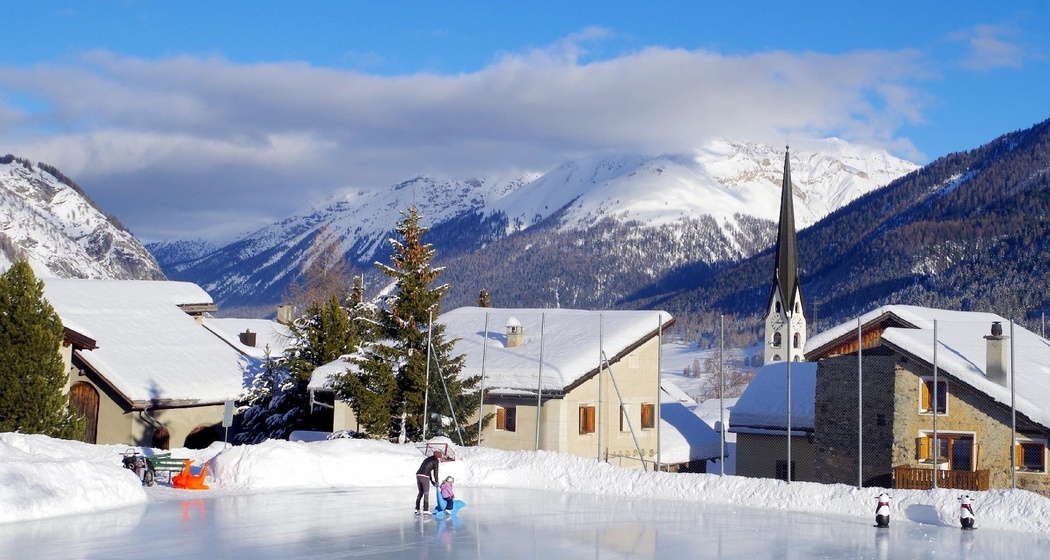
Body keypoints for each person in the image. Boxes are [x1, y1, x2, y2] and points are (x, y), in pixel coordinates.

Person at [415, 450, 441, 515]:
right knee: (426, 493)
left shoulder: (428, 459)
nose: (440, 459)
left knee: (421, 492)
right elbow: (435, 473)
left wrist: (432, 481)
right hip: (424, 476)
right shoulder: (436, 461)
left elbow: (427, 469)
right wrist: (437, 481)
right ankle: (425, 510)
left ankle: (417, 509)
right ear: (438, 457)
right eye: (440, 457)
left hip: (418, 475)